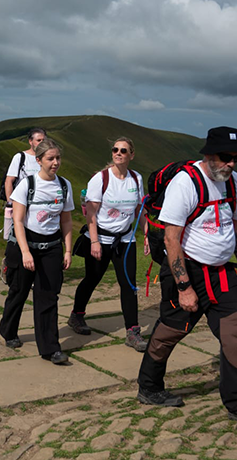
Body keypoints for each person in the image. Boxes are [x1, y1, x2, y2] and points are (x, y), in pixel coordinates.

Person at [136, 126, 237, 430]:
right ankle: (149, 387)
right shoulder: (186, 182)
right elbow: (172, 239)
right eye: (226, 157)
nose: (232, 163)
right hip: (187, 269)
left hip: (223, 273)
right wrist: (184, 287)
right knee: (171, 330)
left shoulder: (234, 182)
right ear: (209, 154)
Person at [0, 139, 74, 365]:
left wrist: (68, 250)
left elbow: (67, 220)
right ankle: (9, 330)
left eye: (58, 158)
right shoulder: (27, 185)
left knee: (48, 296)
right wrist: (25, 252)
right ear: (38, 160)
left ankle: (50, 349)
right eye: (50, 158)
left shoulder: (64, 185)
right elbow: (18, 221)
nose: (55, 163)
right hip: (25, 244)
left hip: (52, 247)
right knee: (18, 291)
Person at [69, 137, 147, 352]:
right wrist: (94, 241)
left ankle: (132, 332)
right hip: (101, 238)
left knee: (129, 285)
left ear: (131, 155)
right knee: (93, 278)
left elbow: (140, 208)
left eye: (124, 150)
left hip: (125, 239)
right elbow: (91, 214)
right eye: (115, 149)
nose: (118, 153)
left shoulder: (136, 178)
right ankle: (77, 315)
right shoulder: (100, 179)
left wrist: (146, 233)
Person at [0, 128, 46, 279]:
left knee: (34, 236)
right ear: (30, 141)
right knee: (15, 237)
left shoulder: (46, 157)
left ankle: (32, 271)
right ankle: (9, 265)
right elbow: (9, 181)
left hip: (39, 206)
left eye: (43, 140)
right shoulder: (20, 157)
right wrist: (10, 203)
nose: (41, 143)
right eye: (38, 140)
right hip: (20, 204)